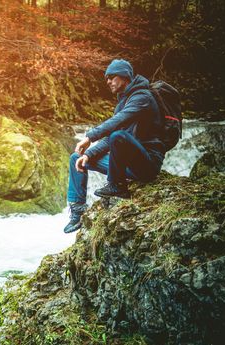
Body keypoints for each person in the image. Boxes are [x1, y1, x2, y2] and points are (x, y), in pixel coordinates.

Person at [63, 59, 165, 234]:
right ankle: (78, 211)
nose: (108, 81)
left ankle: (117, 186)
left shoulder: (142, 97)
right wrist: (89, 155)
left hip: (147, 165)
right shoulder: (124, 101)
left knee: (119, 136)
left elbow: (117, 124)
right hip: (128, 166)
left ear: (125, 76)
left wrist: (89, 137)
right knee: (76, 159)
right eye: (106, 78)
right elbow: (112, 136)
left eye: (111, 77)